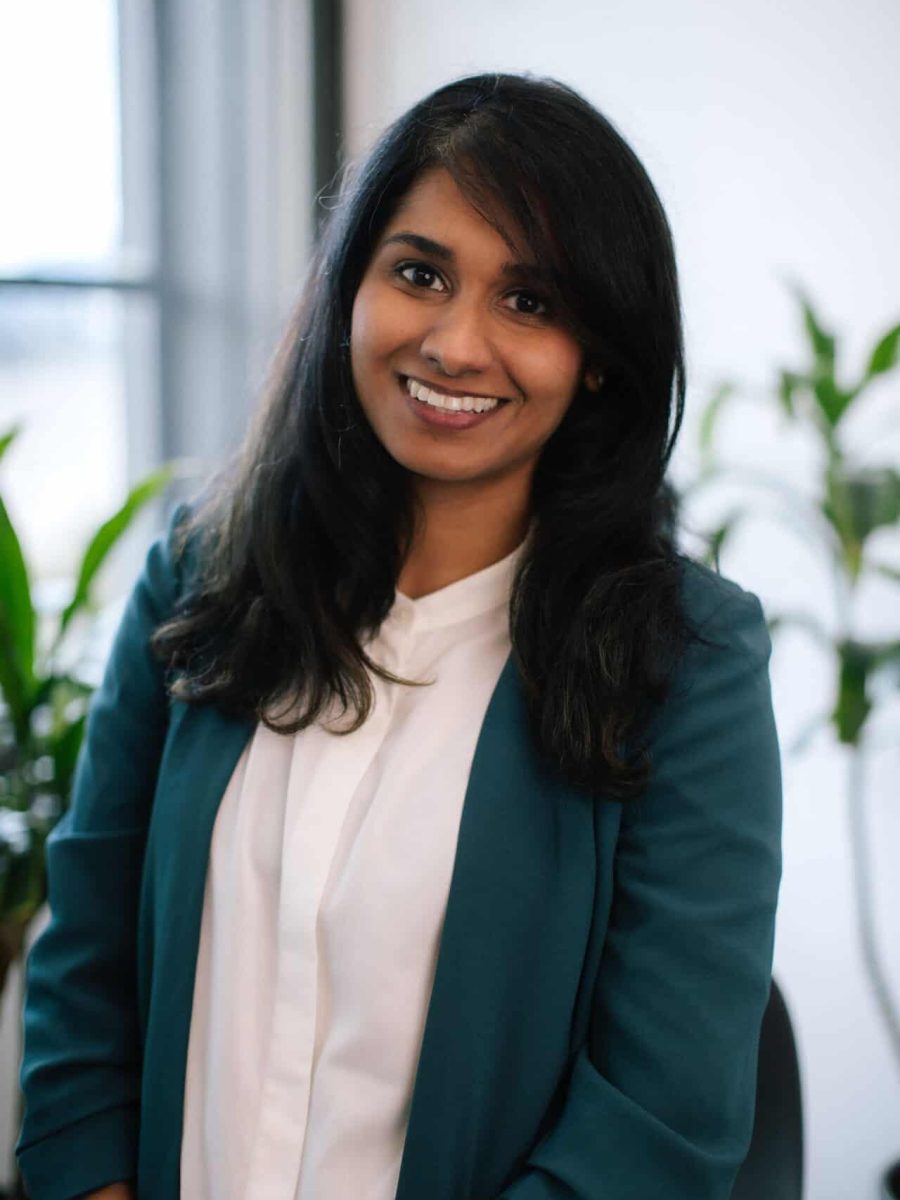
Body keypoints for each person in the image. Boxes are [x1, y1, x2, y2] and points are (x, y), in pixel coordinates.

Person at [16, 72, 782, 1200]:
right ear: (351, 286)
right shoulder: (200, 577)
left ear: (600, 354)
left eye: (531, 302)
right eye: (419, 273)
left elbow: (655, 1135)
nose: (457, 343)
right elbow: (83, 966)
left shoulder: (689, 667)